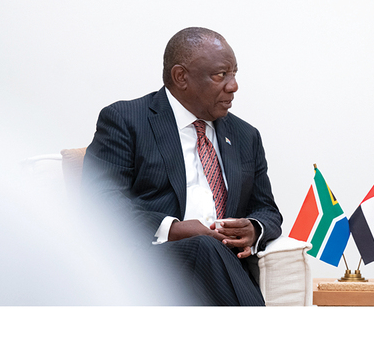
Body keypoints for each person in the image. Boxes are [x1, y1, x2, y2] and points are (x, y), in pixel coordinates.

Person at [82, 27, 282, 306]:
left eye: (234, 73)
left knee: (210, 250)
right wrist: (172, 228)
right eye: (221, 75)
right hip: (152, 263)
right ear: (181, 77)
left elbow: (267, 210)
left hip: (223, 267)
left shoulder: (245, 136)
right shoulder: (126, 120)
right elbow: (99, 201)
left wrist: (253, 229)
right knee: (203, 246)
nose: (233, 86)